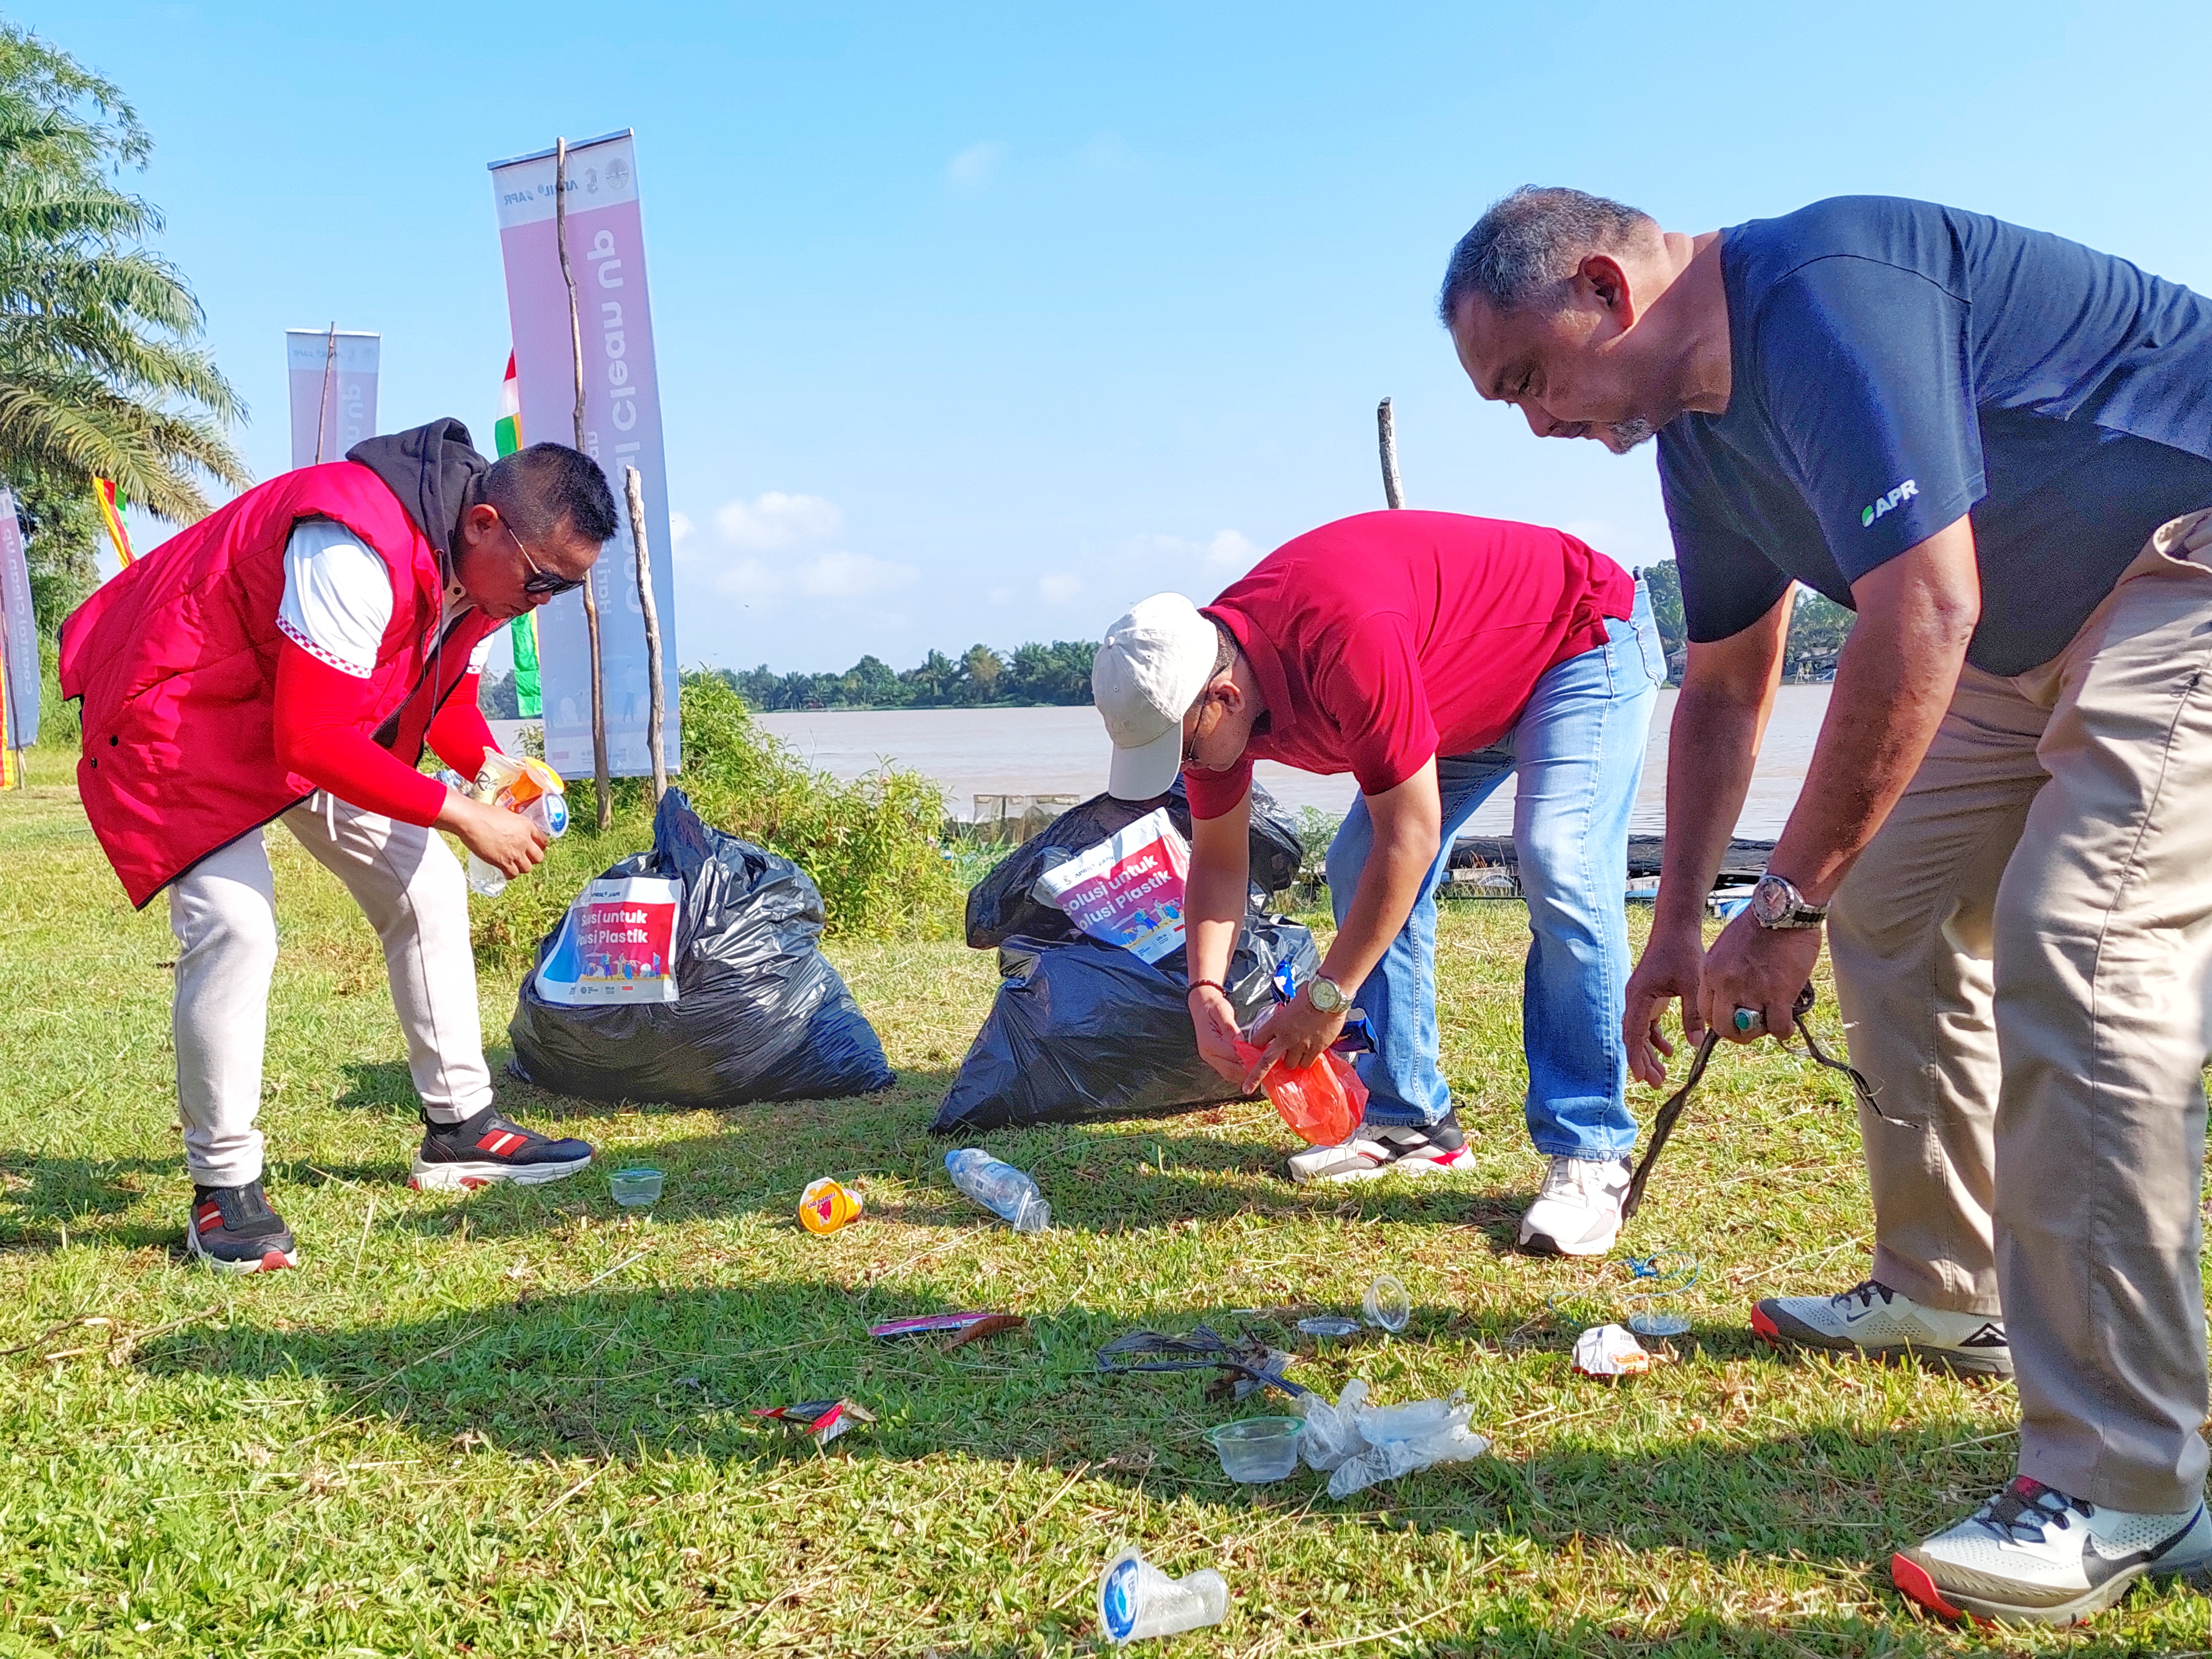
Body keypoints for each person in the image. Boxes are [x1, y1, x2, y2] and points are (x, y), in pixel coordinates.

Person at [1439, 186, 2212, 1623]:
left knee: (2081, 942)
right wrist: (1681, 926)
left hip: (2186, 558)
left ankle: (2129, 1478)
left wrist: (1782, 901)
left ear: (1606, 289)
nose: (1536, 424)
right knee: (1890, 901)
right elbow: (1727, 688)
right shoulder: (1702, 441)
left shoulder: (1824, 286)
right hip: (2037, 628)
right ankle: (1943, 1281)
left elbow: (1923, 606)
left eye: (1529, 379)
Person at [60, 419, 615, 1275]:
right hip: (180, 710)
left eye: (563, 592)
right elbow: (312, 742)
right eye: (542, 582)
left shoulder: (484, 573)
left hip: (294, 710)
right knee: (236, 927)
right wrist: (466, 816)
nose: (542, 603)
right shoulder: (354, 541)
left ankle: (461, 1127)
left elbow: (441, 701)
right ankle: (224, 1188)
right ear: (485, 525)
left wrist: (498, 769)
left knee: (426, 883)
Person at [1089, 510, 1663, 1254]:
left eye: (1184, 750)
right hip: (1458, 696)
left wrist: (1328, 996)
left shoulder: (1340, 634)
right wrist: (1203, 990)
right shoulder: (1212, 687)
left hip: (1577, 643)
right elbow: (1221, 861)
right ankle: (1411, 1122)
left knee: (1556, 859)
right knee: (1358, 860)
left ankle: (1592, 1153)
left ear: (1223, 697)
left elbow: (1413, 835)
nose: (1188, 770)